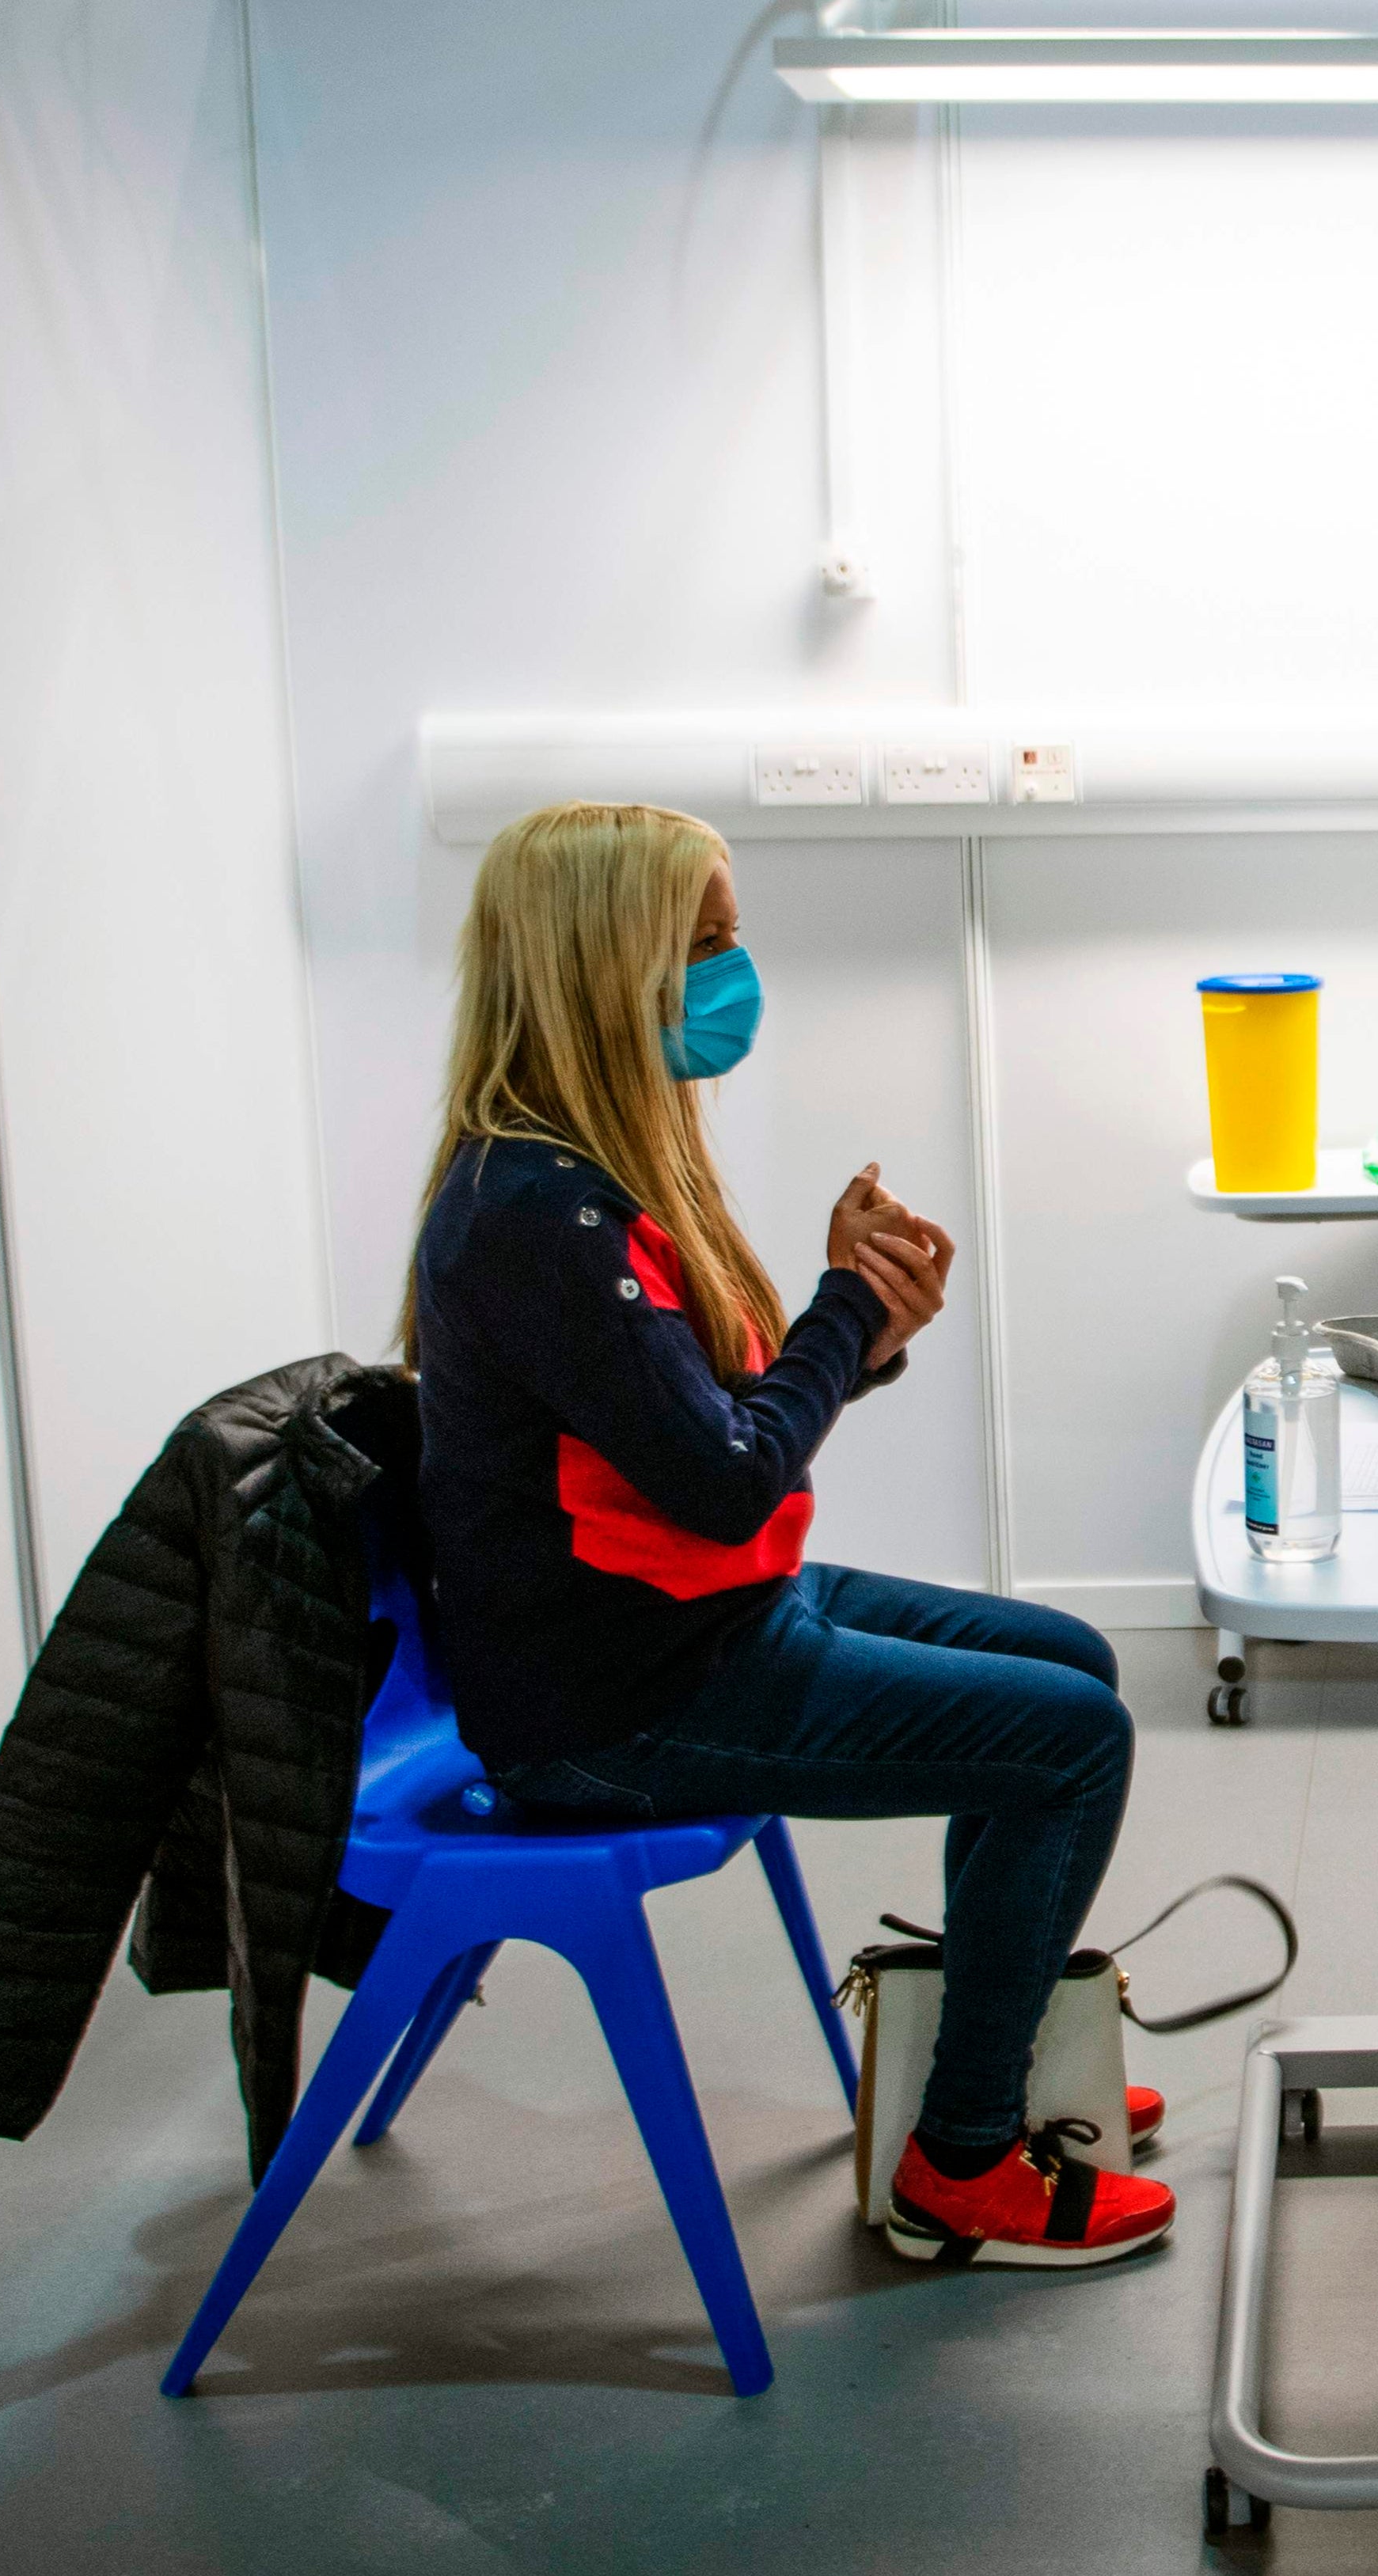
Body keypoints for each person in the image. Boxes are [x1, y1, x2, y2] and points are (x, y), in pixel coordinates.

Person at [403, 800, 1174, 2271]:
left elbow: (706, 1437)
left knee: (1073, 1659)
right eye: (699, 948)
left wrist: (857, 1333)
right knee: (1070, 1741)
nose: (730, 973)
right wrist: (846, 1317)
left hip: (689, 1615)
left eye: (728, 938)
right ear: (596, 971)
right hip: (616, 1699)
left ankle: (987, 2052)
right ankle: (962, 2163)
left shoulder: (591, 1178)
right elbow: (727, 1478)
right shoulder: (534, 1217)